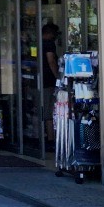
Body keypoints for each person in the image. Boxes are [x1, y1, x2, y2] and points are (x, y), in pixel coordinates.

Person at [41, 20, 61, 148]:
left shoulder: (37, 42)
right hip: (48, 81)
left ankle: (44, 136)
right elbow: (51, 60)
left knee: (43, 108)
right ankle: (50, 139)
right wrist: (58, 77)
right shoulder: (49, 44)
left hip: (37, 80)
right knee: (49, 109)